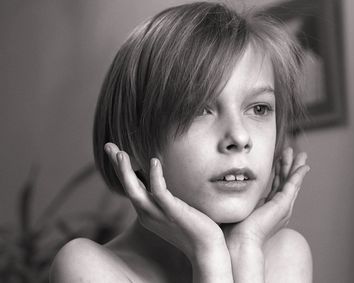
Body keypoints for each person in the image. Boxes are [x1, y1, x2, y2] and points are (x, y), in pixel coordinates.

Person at [50, 2, 312, 282]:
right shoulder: (87, 267)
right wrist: (208, 253)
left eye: (259, 109)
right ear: (134, 141)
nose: (239, 137)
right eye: (200, 109)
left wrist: (246, 246)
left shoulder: (285, 254)